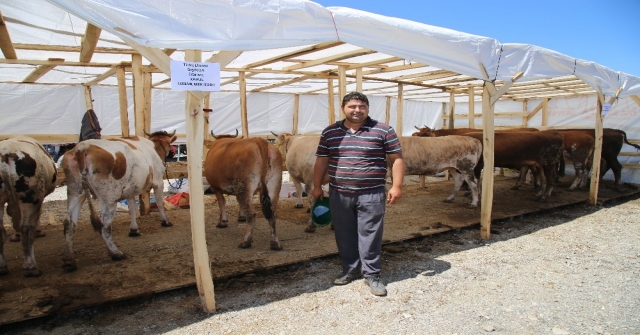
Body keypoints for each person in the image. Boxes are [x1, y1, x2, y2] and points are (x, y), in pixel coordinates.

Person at [311, 91, 405, 297]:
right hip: (339, 192)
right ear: (344, 108)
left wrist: (397, 186)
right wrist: (316, 185)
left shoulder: (383, 130)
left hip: (371, 193)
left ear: (368, 109)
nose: (357, 110)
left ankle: (372, 274)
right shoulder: (330, 132)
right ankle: (350, 269)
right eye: (352, 106)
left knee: (370, 233)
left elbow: (396, 159)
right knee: (344, 233)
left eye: (362, 106)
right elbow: (321, 161)